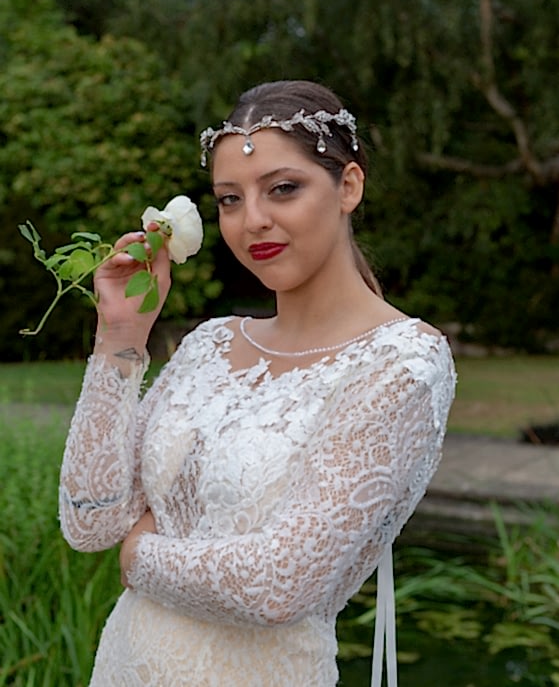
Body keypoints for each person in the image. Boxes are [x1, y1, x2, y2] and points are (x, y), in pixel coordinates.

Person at [59, 79, 456, 687]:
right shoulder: (211, 344)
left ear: (348, 185)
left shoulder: (402, 363)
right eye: (230, 199)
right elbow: (90, 521)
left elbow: (281, 583)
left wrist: (140, 556)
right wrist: (120, 340)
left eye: (283, 189)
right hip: (124, 667)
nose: (254, 221)